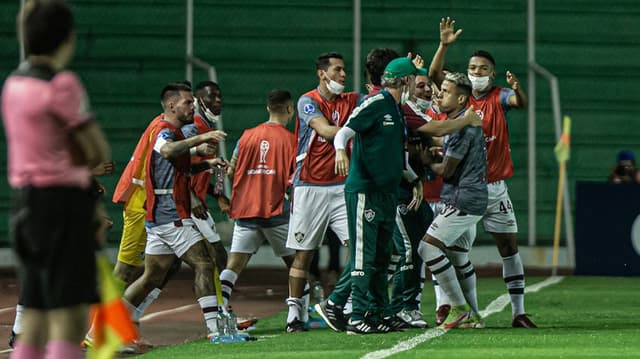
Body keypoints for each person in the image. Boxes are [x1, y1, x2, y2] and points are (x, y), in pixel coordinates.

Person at [2, 1, 111, 357]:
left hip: (26, 204)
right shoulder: (63, 85)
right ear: (68, 38)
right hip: (63, 205)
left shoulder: (14, 84)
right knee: (69, 315)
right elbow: (97, 151)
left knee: (33, 312)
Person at [430, 17, 537, 328]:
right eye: (473, 68)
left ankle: (518, 312)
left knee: (508, 247)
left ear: (493, 74)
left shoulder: (498, 97)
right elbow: (435, 75)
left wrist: (519, 89)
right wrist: (443, 45)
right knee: (447, 249)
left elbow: (519, 102)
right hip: (465, 188)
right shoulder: (457, 98)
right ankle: (452, 308)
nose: (476, 73)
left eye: (483, 69)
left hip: (495, 187)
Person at [121, 83, 228, 343]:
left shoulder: (174, 132)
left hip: (160, 217)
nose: (193, 107)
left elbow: (179, 169)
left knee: (151, 277)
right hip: (171, 214)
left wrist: (206, 164)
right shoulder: (164, 131)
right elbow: (166, 150)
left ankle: (102, 329)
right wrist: (201, 138)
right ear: (171, 106)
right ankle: (217, 330)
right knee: (204, 262)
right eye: (188, 103)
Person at [332, 57, 426, 334]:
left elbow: (396, 156)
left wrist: (413, 179)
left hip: (387, 192)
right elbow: (343, 133)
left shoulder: (397, 110)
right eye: (414, 80)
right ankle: (357, 315)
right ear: (405, 80)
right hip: (365, 190)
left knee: (385, 256)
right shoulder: (376, 103)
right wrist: (340, 150)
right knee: (364, 256)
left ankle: (379, 313)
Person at [285, 52, 360, 332]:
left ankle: (348, 303)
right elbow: (326, 131)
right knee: (303, 254)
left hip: (341, 187)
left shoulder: (351, 100)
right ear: (322, 74)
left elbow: (378, 100)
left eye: (344, 70)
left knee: (357, 248)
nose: (343, 75)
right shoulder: (308, 102)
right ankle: (295, 312)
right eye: (338, 70)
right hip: (309, 187)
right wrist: (356, 129)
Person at [417, 72, 487, 329]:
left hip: (462, 200)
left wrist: (428, 162)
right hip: (474, 197)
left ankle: (459, 309)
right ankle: (474, 316)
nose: (438, 94)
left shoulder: (463, 127)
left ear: (460, 98)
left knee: (427, 248)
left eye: (445, 92)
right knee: (459, 257)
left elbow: (447, 170)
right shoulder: (461, 121)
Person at [218, 90, 297, 312]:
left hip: (246, 209)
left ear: (268, 108)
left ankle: (219, 312)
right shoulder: (292, 140)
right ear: (289, 109)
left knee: (234, 265)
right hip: (276, 210)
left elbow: (231, 172)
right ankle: (297, 314)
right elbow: (295, 178)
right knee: (296, 265)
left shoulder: (246, 136)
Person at [186, 80, 230, 272]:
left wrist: (219, 195)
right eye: (211, 96)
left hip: (195, 203)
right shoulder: (193, 128)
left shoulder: (210, 129)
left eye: (219, 96)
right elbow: (178, 168)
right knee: (217, 254)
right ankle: (219, 301)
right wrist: (193, 198)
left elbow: (214, 166)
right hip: (186, 203)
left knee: (160, 267)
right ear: (197, 100)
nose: (218, 100)